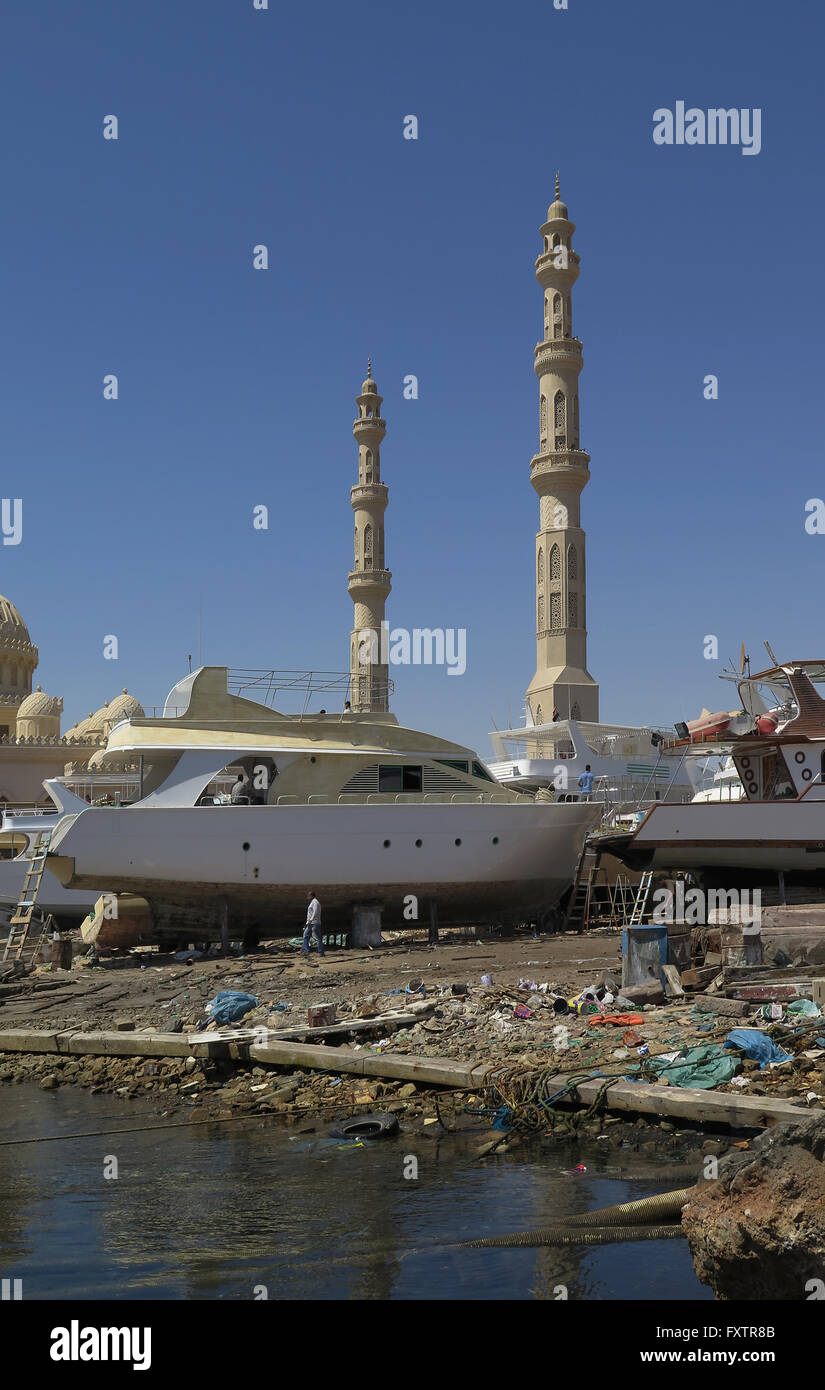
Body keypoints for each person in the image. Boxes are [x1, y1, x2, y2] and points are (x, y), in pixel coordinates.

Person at [302, 890, 324, 957]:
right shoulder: (312, 902)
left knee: (318, 937)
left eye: (308, 896)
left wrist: (310, 920)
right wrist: (308, 922)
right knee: (306, 936)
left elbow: (315, 912)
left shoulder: (315, 902)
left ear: (311, 896)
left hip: (315, 923)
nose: (307, 897)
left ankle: (321, 952)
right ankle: (306, 951)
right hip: (310, 923)